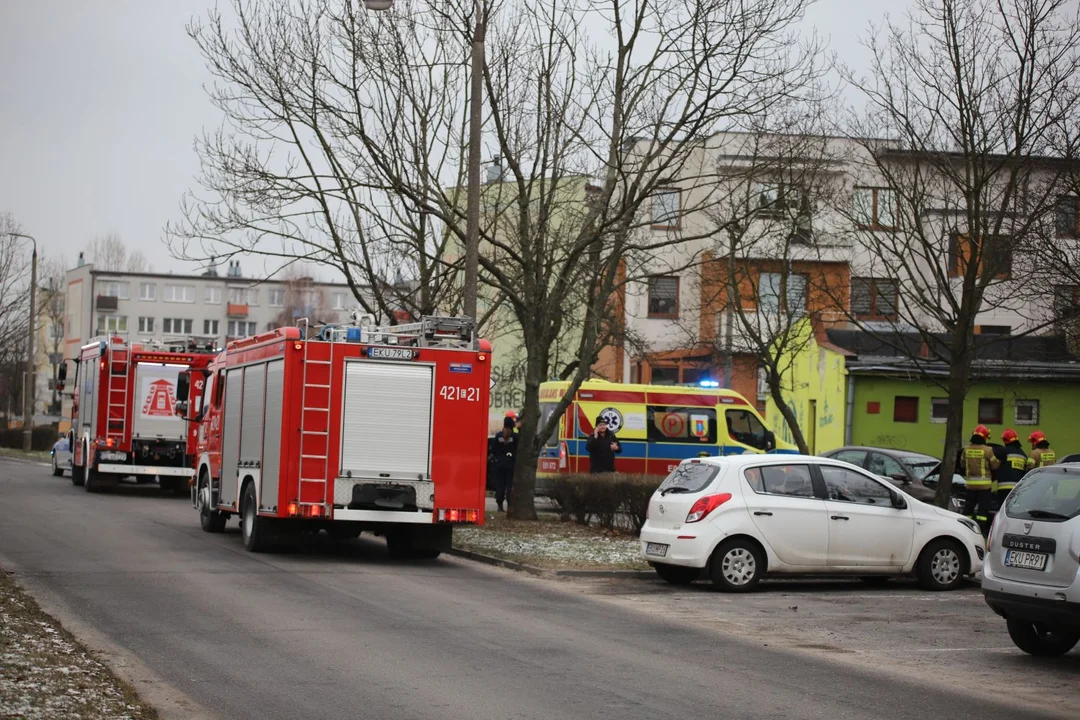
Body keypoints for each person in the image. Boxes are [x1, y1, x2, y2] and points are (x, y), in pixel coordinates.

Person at [961, 424, 999, 533]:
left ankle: (966, 530)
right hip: (984, 487)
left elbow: (962, 465)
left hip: (970, 486)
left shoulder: (966, 450)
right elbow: (995, 466)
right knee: (982, 512)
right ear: (984, 437)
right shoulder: (988, 450)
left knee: (968, 510)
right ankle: (980, 531)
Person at [489, 416, 518, 512]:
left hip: (500, 464)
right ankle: (510, 504)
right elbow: (518, 450)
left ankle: (499, 505)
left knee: (500, 484)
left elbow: (493, 450)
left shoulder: (498, 436)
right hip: (511, 464)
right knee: (509, 485)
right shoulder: (515, 437)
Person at [993, 428, 1027, 506]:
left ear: (1005, 440)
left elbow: (990, 453)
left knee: (1002, 510)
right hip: (1017, 489)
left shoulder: (1004, 451)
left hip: (1004, 488)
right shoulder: (1023, 455)